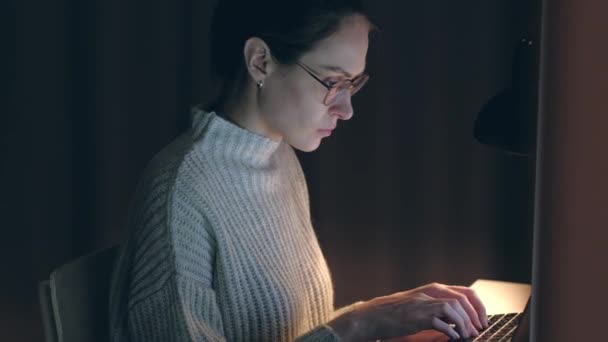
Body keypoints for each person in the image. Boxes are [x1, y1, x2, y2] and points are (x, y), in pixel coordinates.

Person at [108, 0, 489, 341]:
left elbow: (297, 333)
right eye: (333, 82)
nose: (346, 109)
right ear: (260, 61)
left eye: (354, 84)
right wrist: (358, 326)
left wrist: (383, 313)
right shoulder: (181, 193)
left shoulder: (278, 157)